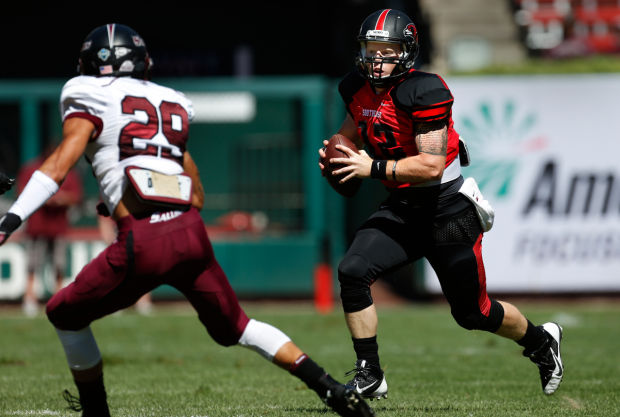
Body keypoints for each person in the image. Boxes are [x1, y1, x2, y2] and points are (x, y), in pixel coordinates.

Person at [0, 23, 374, 417]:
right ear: (142, 62)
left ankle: (96, 412)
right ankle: (329, 388)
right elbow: (195, 195)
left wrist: (11, 219)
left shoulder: (86, 93)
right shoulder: (169, 101)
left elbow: (59, 165)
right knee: (240, 327)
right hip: (188, 232)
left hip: (143, 239)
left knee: (63, 313)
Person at [318, 9, 564, 400]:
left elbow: (431, 166)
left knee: (473, 314)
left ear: (408, 52)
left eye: (388, 50)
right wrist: (338, 153)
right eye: (372, 49)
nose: (377, 59)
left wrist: (372, 166)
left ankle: (540, 341)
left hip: (448, 211)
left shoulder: (426, 90)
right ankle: (370, 372)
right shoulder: (354, 88)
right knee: (353, 270)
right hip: (403, 206)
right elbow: (349, 134)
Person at [17, 147, 83, 316]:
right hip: (37, 227)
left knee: (59, 265)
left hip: (58, 227)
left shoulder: (68, 170)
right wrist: (44, 198)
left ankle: (58, 298)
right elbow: (22, 193)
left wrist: (60, 199)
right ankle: (30, 298)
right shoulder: (32, 169)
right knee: (32, 264)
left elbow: (76, 196)